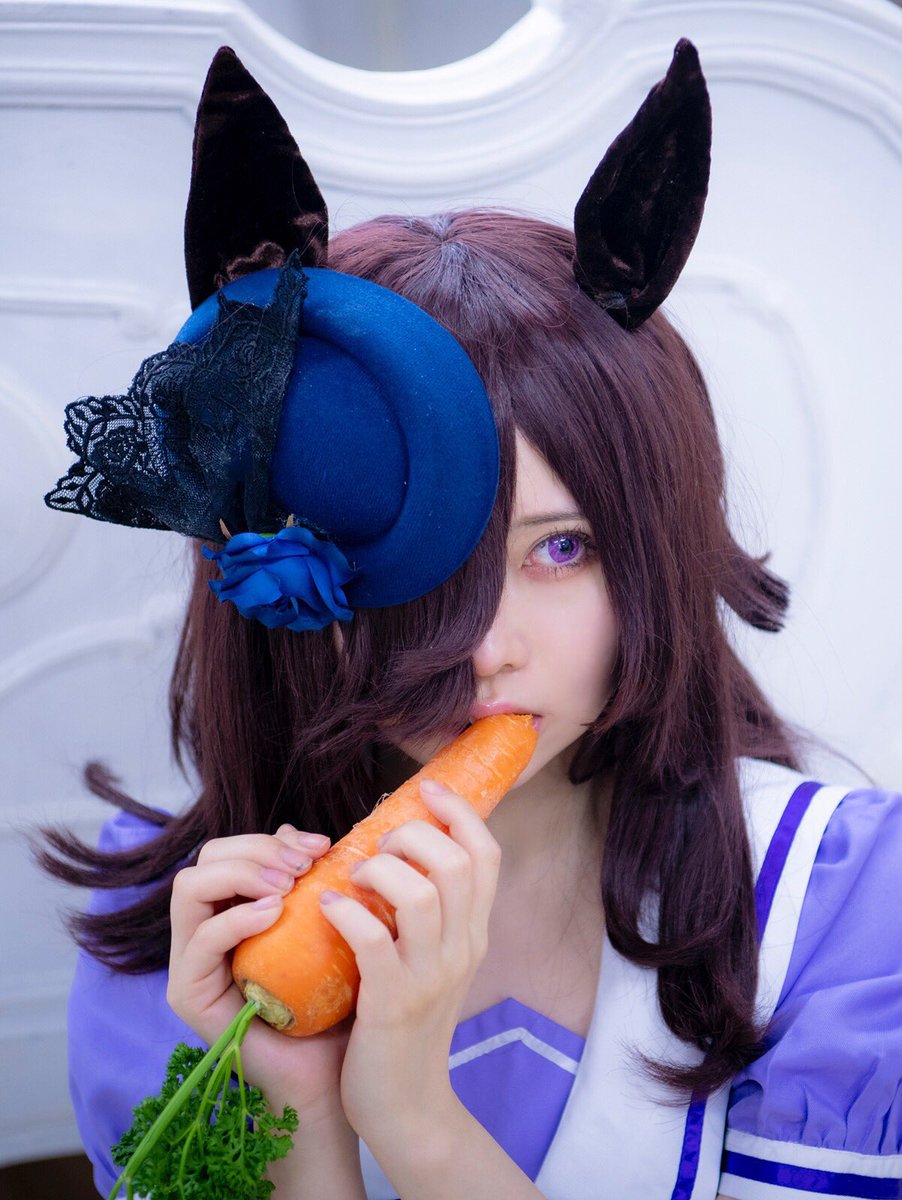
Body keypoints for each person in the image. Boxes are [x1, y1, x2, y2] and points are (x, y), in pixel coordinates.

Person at [39, 41, 902, 1200]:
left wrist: (414, 1118)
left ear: (653, 552)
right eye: (407, 556)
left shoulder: (841, 909)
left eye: (561, 548)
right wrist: (298, 1117)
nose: (486, 647)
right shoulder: (171, 946)